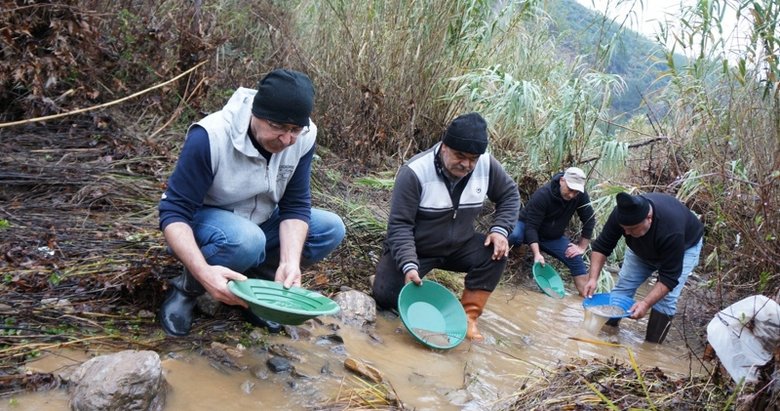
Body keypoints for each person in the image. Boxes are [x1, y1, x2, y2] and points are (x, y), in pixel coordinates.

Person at [158, 69, 346, 337]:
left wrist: (290, 262)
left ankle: (256, 290)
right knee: (248, 240)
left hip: (262, 218)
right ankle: (187, 289)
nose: (286, 139)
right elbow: (174, 213)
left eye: (294, 129)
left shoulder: (303, 138)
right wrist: (203, 272)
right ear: (255, 114)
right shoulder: (210, 136)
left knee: (330, 228)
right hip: (210, 222)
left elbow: (295, 205)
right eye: (278, 126)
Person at [371, 112, 520, 343]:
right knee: (386, 296)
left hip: (459, 245)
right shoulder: (415, 172)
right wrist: (409, 265)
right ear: (444, 146)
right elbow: (400, 226)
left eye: (473, 158)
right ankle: (391, 277)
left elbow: (510, 195)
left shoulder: (487, 165)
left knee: (496, 253)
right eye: (460, 155)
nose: (466, 164)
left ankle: (468, 318)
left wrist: (500, 230)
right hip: (418, 248)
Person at [583, 192, 704, 343]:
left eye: (632, 228)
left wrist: (645, 303)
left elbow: (669, 277)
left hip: (685, 248)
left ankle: (651, 347)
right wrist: (593, 278)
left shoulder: (671, 228)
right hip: (640, 250)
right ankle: (606, 336)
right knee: (624, 287)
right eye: (624, 228)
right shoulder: (621, 215)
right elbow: (601, 246)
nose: (626, 233)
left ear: (649, 217)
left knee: (667, 300)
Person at [507, 167, 595, 296]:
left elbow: (589, 219)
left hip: (552, 237)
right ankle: (514, 256)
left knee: (575, 258)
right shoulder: (543, 195)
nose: (572, 195)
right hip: (526, 227)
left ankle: (587, 298)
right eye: (570, 190)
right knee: (513, 235)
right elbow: (531, 227)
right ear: (562, 180)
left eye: (576, 192)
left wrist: (582, 247)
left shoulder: (580, 195)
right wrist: (537, 254)